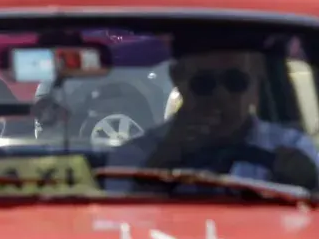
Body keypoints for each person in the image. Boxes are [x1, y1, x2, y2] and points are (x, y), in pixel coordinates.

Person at [108, 45, 319, 190]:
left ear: (257, 80)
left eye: (235, 82)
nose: (221, 96)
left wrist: (307, 181)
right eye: (204, 83)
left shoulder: (293, 147)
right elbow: (120, 221)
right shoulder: (134, 157)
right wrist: (163, 160)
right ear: (178, 80)